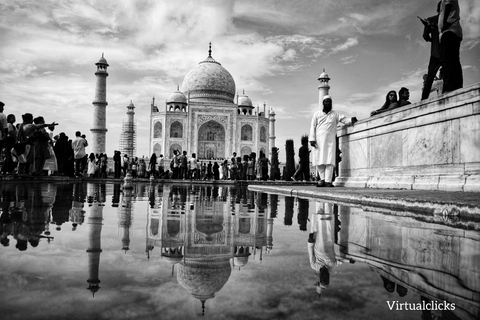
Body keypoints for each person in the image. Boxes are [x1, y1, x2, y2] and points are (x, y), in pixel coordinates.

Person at [309, 96, 357, 187]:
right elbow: (312, 127)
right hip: (318, 141)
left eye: (330, 102)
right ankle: (322, 180)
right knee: (320, 161)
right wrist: (312, 139)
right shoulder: (317, 114)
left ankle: (328, 181)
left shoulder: (335, 114)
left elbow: (344, 120)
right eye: (326, 102)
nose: (328, 103)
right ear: (323, 103)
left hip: (330, 141)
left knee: (329, 161)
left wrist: (351, 120)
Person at [438, 0, 463, 93]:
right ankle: (456, 85)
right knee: (453, 60)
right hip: (452, 30)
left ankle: (450, 86)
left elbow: (448, 4)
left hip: (450, 30)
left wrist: (444, 23)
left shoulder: (445, 2)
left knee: (446, 60)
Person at [420, 2, 442, 100]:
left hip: (435, 52)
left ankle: (424, 99)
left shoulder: (430, 20)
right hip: (446, 51)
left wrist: (432, 40)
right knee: (450, 73)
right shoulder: (447, 19)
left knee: (430, 78)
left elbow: (425, 36)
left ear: (437, 9)